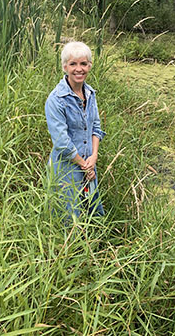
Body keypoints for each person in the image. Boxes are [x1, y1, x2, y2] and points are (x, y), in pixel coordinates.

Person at [45, 41, 106, 221]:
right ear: (65, 66)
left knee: (93, 215)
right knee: (69, 219)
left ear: (89, 66)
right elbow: (62, 142)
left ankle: (96, 247)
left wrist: (93, 157)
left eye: (83, 64)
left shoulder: (90, 94)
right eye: (73, 64)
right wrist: (84, 165)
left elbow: (96, 126)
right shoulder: (56, 99)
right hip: (67, 168)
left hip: (88, 164)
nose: (78, 69)